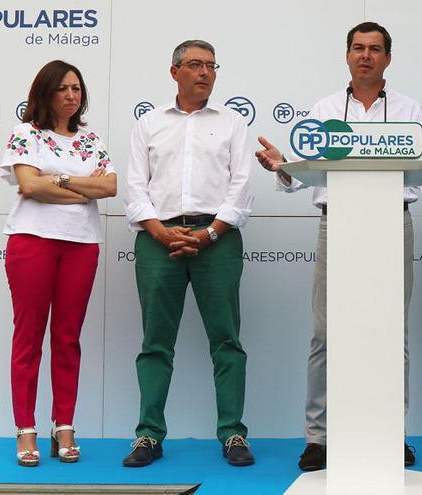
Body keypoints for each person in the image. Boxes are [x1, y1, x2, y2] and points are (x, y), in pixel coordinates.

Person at [256, 21, 422, 471]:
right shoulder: (325, 108)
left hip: (393, 223)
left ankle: (392, 433)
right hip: (337, 224)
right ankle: (319, 438)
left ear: (388, 58)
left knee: (394, 333)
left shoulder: (409, 109)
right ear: (347, 55)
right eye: (357, 48)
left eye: (374, 49)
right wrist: (283, 167)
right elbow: (302, 176)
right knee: (325, 334)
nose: (365, 55)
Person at [122, 40, 255, 468]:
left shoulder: (233, 123)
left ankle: (233, 433)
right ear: (174, 71)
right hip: (158, 238)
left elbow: (241, 188)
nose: (204, 73)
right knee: (155, 343)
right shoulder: (148, 123)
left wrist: (211, 233)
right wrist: (160, 231)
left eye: (211, 66)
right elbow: (136, 187)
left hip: (217, 239)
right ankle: (148, 435)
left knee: (227, 341)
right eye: (195, 65)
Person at [1, 60, 117, 467]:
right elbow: (28, 185)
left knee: (68, 338)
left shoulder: (91, 139)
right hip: (32, 242)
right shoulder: (25, 134)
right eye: (63, 88)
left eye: (77, 89)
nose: (71, 95)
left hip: (82, 244)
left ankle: (63, 425)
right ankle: (25, 429)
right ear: (45, 92)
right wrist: (81, 188)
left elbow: (110, 186)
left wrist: (58, 181)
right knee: (28, 339)